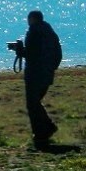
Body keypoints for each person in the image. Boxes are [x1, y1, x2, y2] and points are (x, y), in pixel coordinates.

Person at [17, 10, 62, 148]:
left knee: (32, 104)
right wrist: (52, 67)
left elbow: (32, 54)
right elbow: (57, 53)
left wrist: (20, 51)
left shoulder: (34, 32)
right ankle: (46, 128)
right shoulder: (49, 32)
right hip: (47, 72)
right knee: (36, 102)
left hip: (35, 73)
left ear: (32, 19)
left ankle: (41, 133)